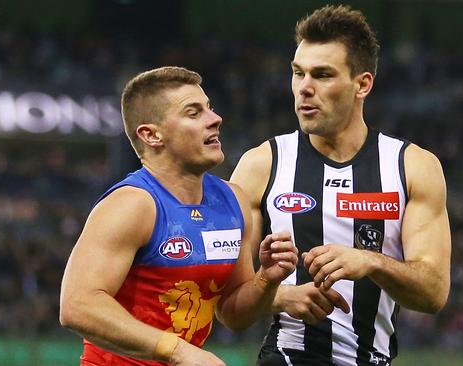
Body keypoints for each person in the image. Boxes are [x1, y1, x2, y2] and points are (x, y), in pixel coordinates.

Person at [230, 5, 451, 366]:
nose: (304, 88)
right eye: (298, 73)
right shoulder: (260, 165)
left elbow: (434, 293)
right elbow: (231, 312)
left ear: (362, 84)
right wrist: (279, 295)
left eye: (322, 75)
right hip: (285, 356)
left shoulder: (412, 167)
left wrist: (370, 262)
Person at [59, 66, 298, 366]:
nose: (215, 119)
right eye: (193, 113)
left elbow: (233, 315)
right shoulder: (133, 205)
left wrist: (266, 280)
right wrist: (178, 351)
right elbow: (77, 305)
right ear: (151, 135)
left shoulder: (232, 201)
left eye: (209, 108)